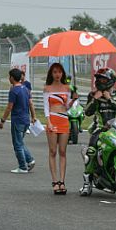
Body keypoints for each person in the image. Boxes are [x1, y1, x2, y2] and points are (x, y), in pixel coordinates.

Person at [81, 68, 116, 181]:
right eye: (98, 79)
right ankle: (87, 182)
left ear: (110, 80)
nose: (99, 81)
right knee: (91, 151)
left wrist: (109, 99)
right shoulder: (93, 94)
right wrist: (94, 99)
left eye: (103, 79)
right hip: (99, 129)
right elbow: (87, 112)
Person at [0, 68, 37, 174]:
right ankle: (29, 160)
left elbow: (9, 107)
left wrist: (3, 120)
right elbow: (31, 103)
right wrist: (33, 116)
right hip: (26, 120)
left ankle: (22, 167)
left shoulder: (13, 91)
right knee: (20, 142)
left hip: (17, 120)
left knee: (17, 144)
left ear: (12, 77)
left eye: (9, 76)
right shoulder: (25, 89)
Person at [43, 63, 73, 194]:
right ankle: (54, 181)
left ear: (63, 74)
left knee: (62, 151)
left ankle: (62, 181)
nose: (57, 74)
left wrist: (73, 100)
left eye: (59, 72)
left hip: (64, 120)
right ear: (51, 73)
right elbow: (45, 107)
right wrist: (48, 122)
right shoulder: (47, 88)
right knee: (53, 151)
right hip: (52, 120)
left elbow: (67, 107)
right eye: (55, 72)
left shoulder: (67, 88)